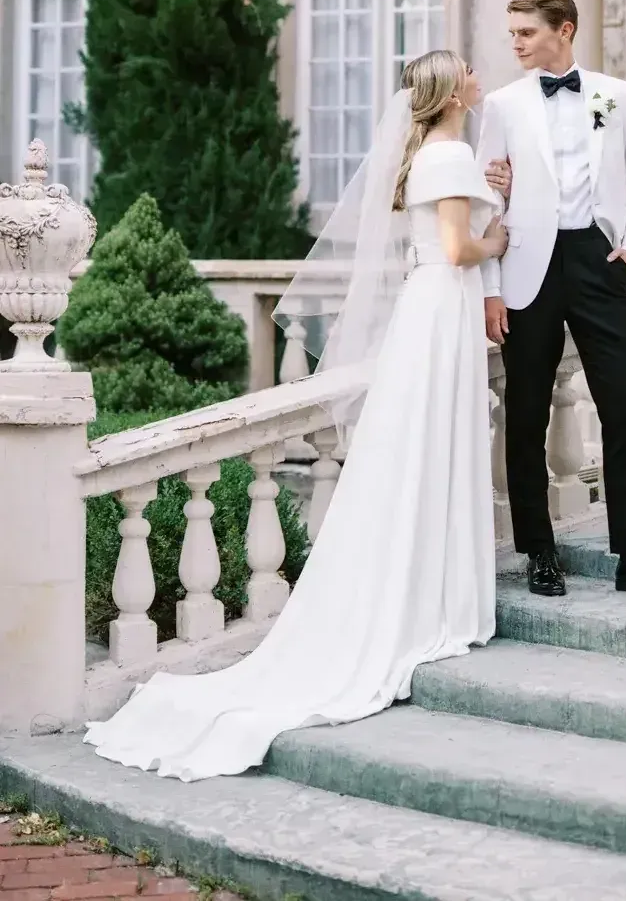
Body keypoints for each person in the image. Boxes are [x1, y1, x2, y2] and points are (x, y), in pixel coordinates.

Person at [83, 50, 507, 781]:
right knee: (437, 446)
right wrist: (497, 237)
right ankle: (438, 602)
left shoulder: (428, 157)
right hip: (444, 308)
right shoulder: (452, 154)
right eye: (467, 70)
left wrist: (486, 198)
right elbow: (456, 247)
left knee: (415, 451)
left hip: (426, 309)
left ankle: (423, 586)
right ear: (448, 93)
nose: (478, 75)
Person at [477, 0, 626, 603]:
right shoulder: (503, 104)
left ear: (563, 29)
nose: (514, 43)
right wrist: (492, 290)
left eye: (526, 32)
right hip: (528, 268)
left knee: (624, 409)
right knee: (526, 416)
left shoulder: (612, 96)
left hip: (598, 263)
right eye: (512, 32)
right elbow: (490, 200)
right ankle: (539, 552)